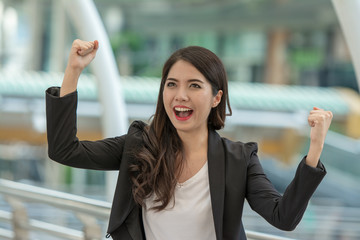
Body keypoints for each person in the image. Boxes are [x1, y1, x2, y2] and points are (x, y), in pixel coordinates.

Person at [46, 39, 332, 240]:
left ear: (216, 97)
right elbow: (65, 150)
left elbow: (284, 217)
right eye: (172, 84)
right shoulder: (140, 145)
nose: (180, 95)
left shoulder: (238, 159)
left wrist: (315, 147)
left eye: (194, 85)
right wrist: (74, 71)